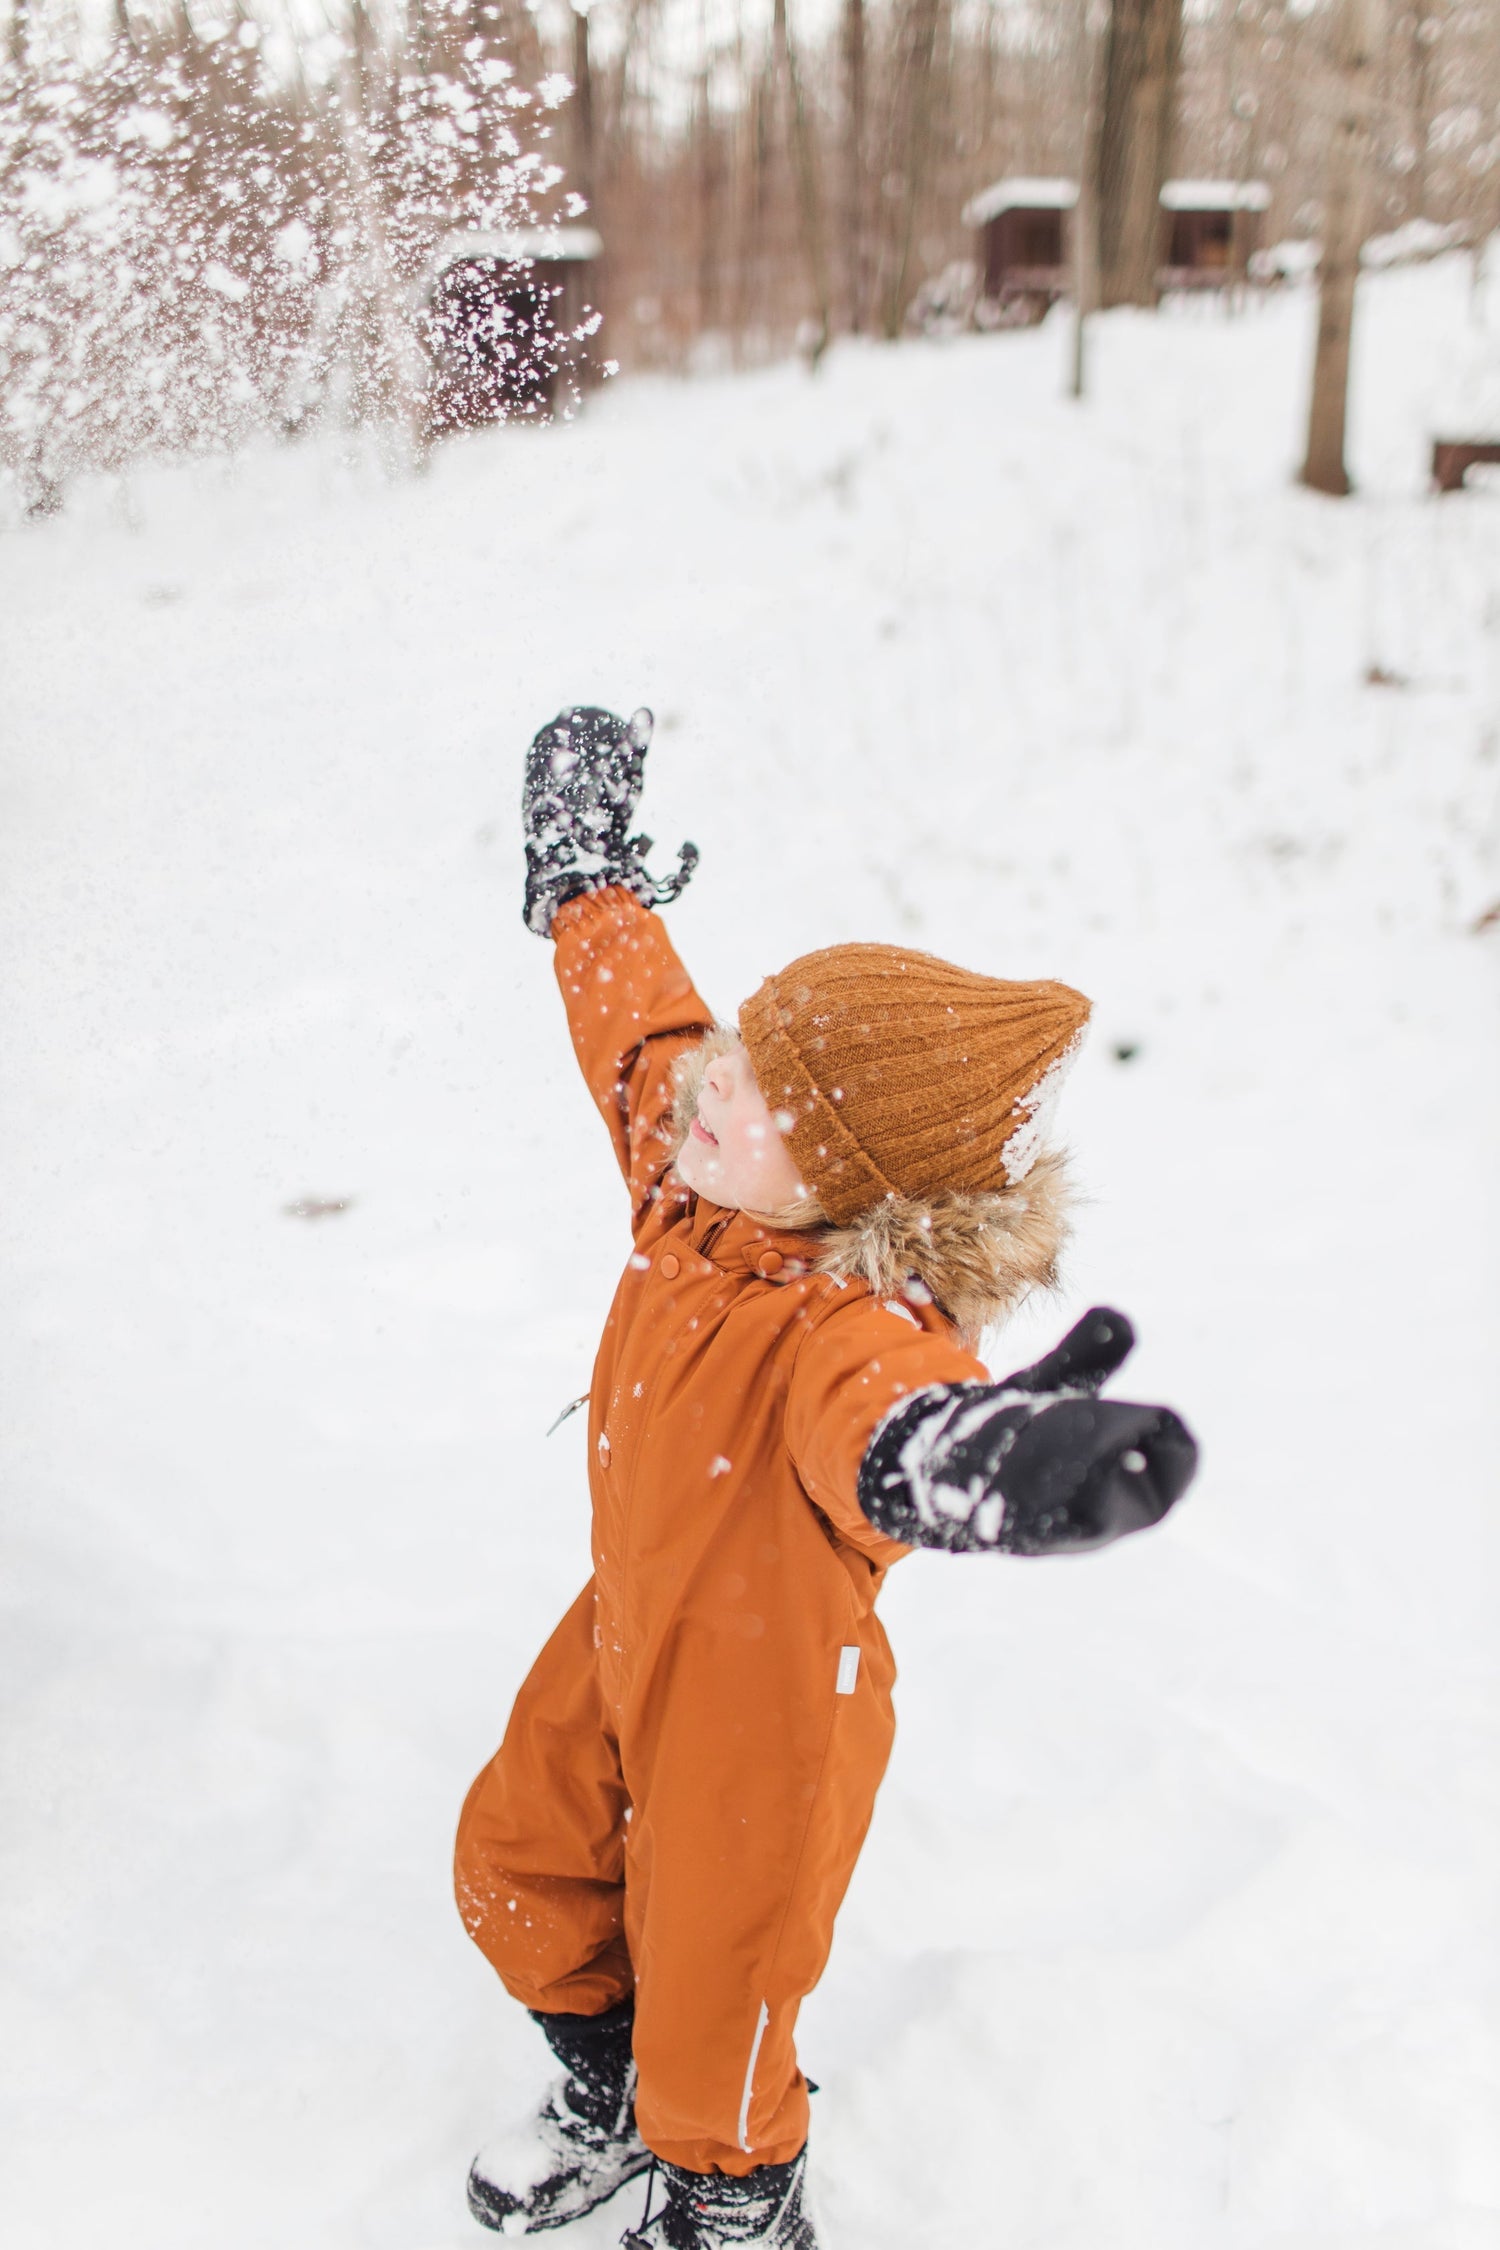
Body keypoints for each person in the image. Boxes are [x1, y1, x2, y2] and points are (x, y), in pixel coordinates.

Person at [454, 706, 1198, 2248]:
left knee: (721, 1992)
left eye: (768, 1096)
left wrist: (970, 1457)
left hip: (769, 1698)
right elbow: (644, 1029)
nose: (715, 1087)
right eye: (744, 1051)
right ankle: (607, 2085)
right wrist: (590, 885)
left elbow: (890, 1416)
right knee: (520, 1855)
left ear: (860, 1188)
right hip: (632, 1613)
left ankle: (733, 2203)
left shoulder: (848, 1324)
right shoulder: (692, 1177)